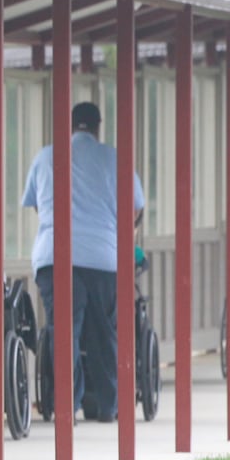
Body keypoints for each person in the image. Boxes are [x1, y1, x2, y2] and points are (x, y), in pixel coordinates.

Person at [22, 101, 143, 422]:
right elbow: (135, 209)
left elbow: (36, 204)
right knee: (104, 333)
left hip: (54, 256)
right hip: (103, 258)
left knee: (64, 332)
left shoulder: (45, 156)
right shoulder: (115, 158)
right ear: (98, 126)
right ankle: (108, 406)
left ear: (71, 125)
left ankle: (67, 405)